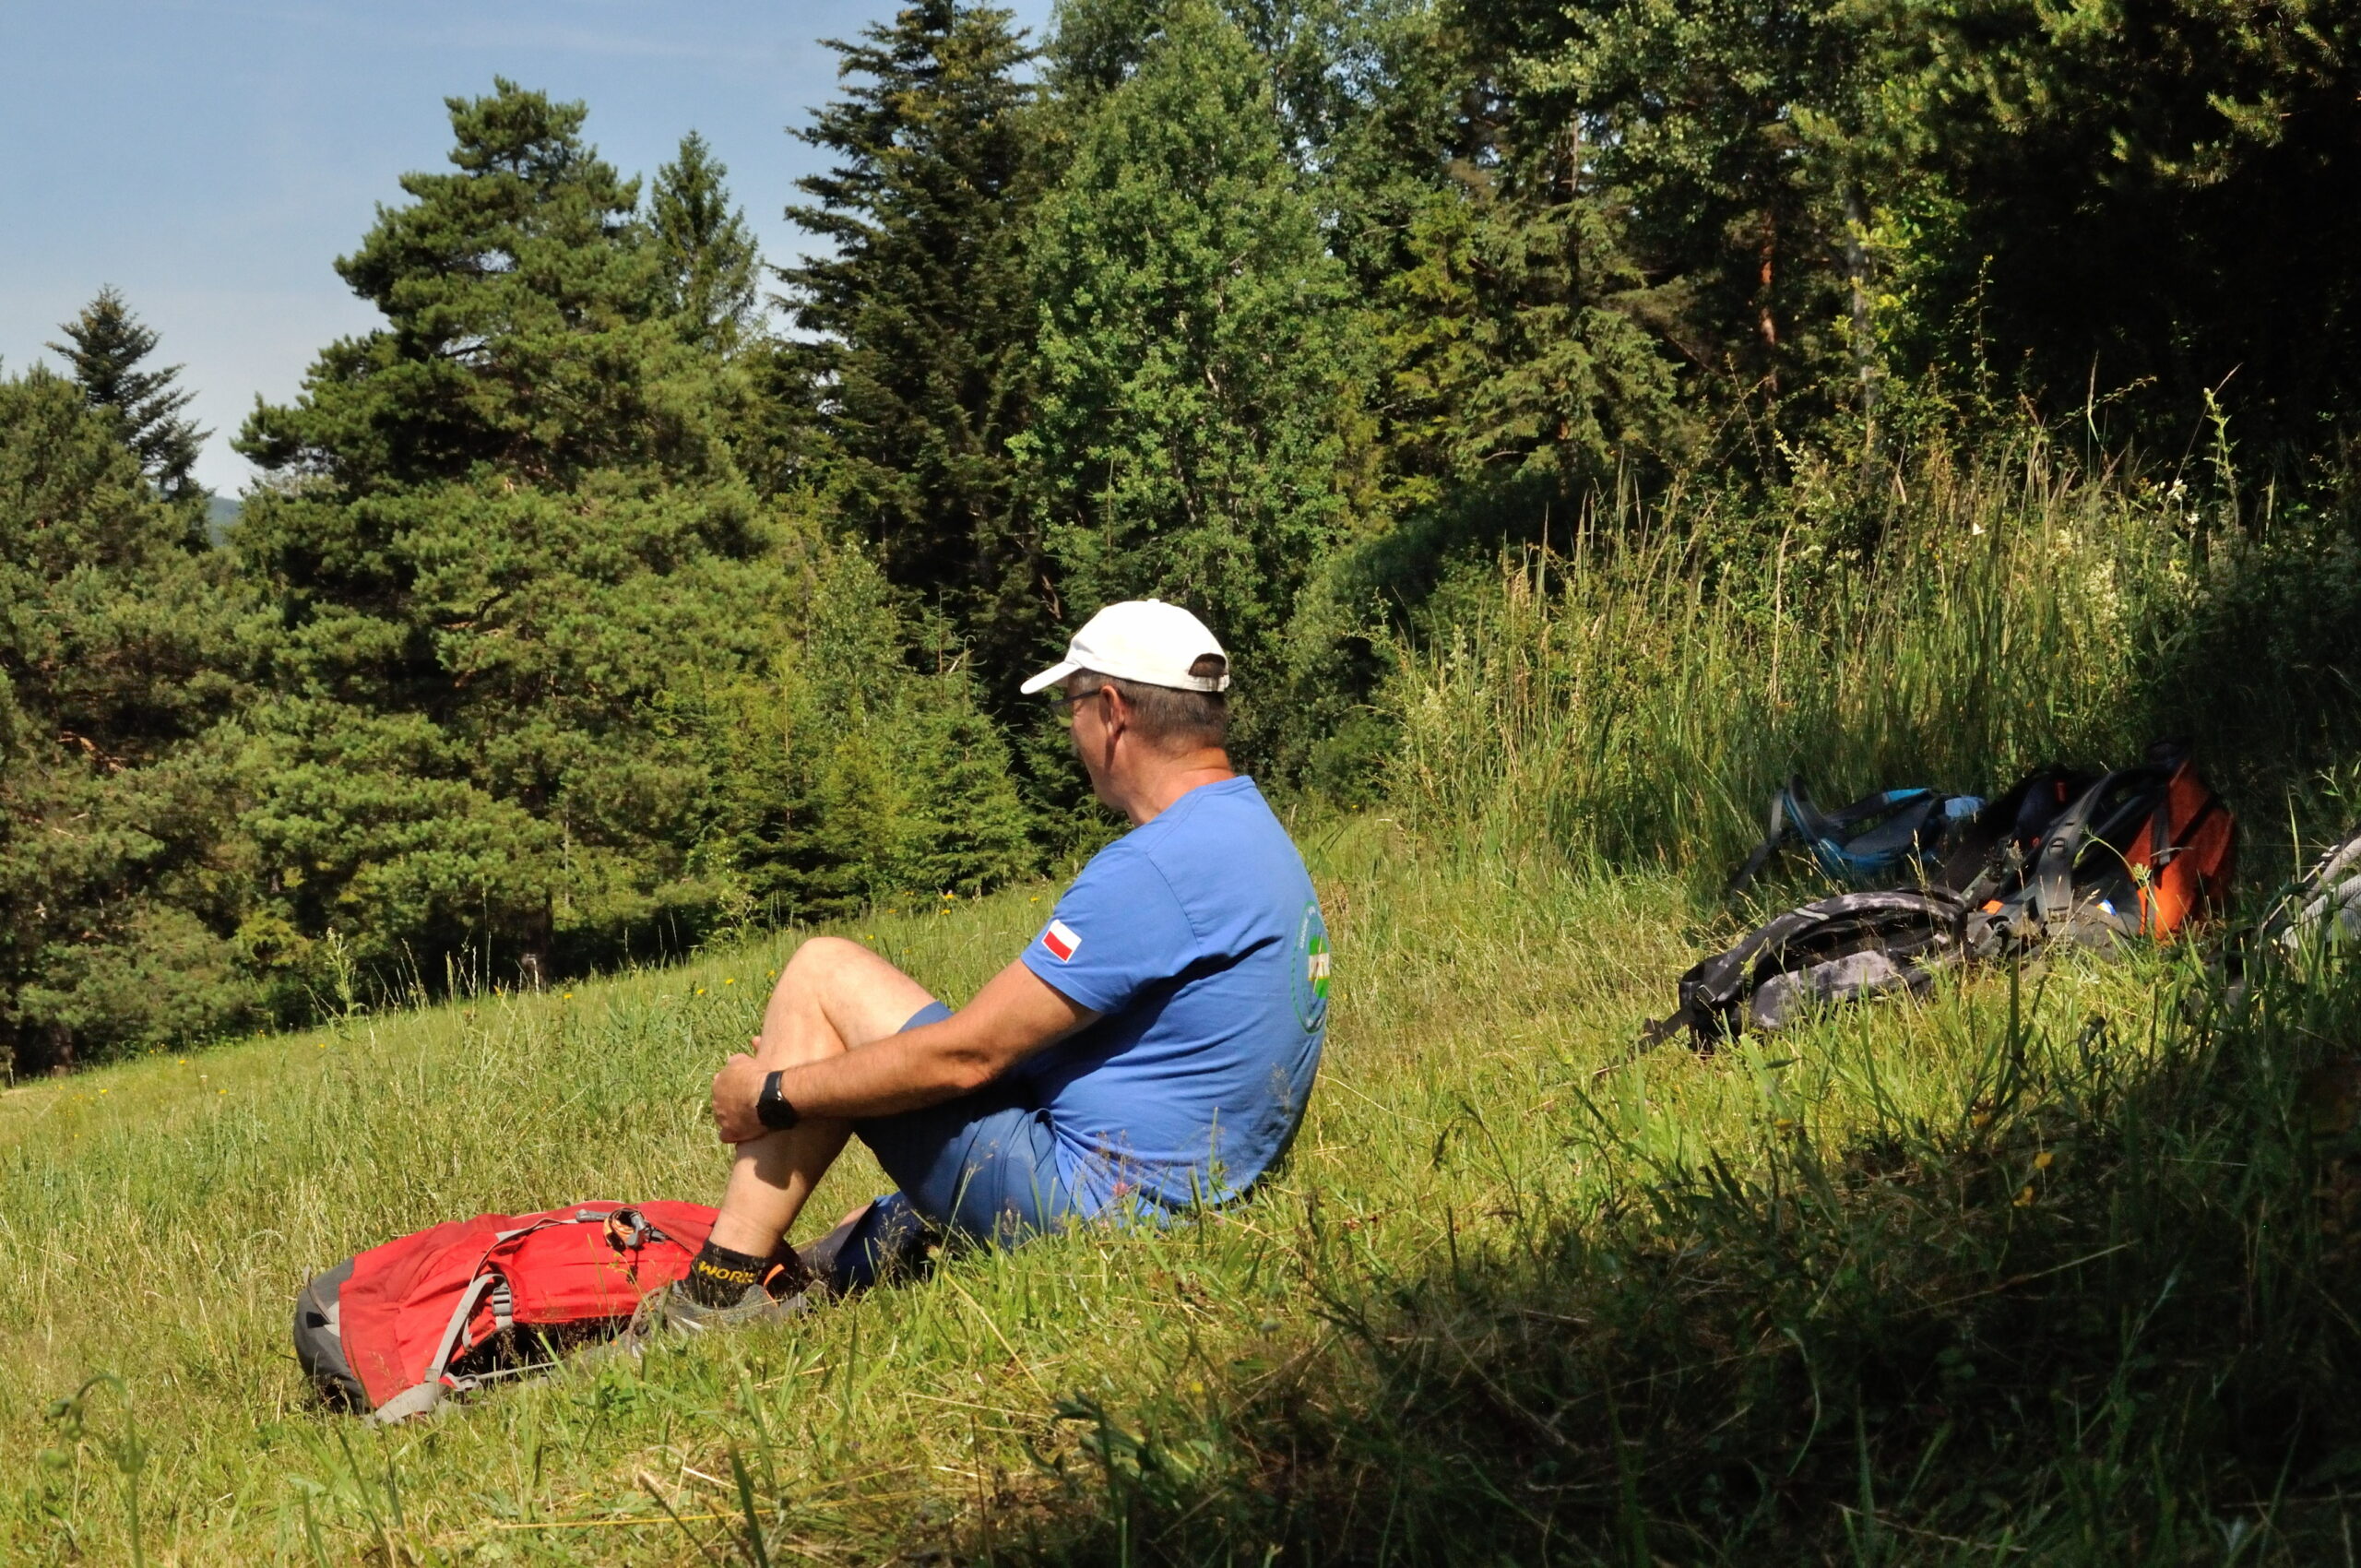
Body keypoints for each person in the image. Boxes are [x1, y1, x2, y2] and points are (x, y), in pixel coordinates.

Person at [640, 600, 1333, 1332]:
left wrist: (774, 1094)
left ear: (1112, 711)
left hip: (1101, 1217)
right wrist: (837, 1075)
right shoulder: (1247, 829)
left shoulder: (1156, 868)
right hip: (1187, 1195)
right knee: (848, 1049)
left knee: (822, 971)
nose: (1070, 730)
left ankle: (712, 1304)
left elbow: (969, 1057)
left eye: (1071, 706)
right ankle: (823, 1257)